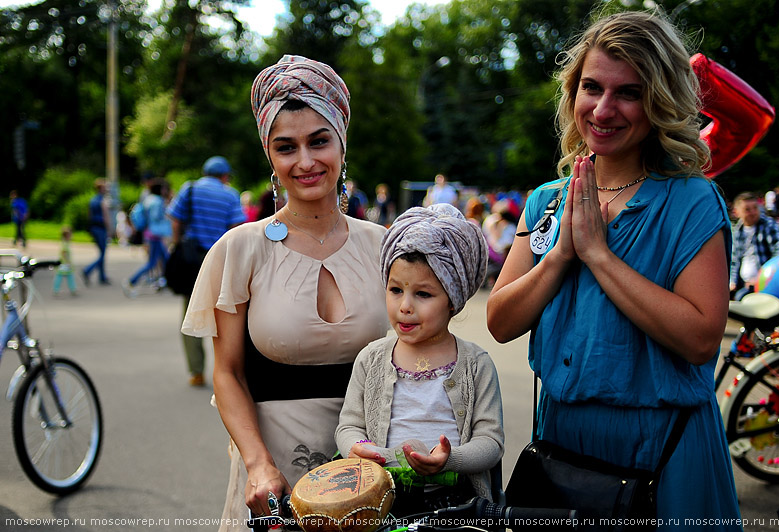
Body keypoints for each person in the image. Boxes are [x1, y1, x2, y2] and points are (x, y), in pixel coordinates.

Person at [486, 9, 741, 529]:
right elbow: (500, 321)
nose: (603, 109)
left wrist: (600, 257)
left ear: (659, 101)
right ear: (572, 91)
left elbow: (700, 340)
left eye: (627, 92)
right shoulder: (546, 202)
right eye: (591, 87)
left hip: (664, 453)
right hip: (563, 452)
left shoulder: (691, 201)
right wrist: (560, 256)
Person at [180, 55, 389, 529]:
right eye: (286, 147)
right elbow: (228, 373)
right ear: (270, 157)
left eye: (319, 141)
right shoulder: (240, 249)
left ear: (341, 142)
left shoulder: (383, 244)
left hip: (373, 472)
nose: (306, 161)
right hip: (273, 478)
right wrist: (257, 463)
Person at [336, 204, 503, 514]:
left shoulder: (476, 365)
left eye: (423, 294)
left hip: (453, 505)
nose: (405, 306)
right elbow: (348, 426)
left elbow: (491, 442)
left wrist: (450, 459)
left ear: (454, 300)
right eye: (396, 290)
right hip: (379, 502)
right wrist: (358, 449)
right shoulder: (371, 359)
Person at [167, 156, 246, 387]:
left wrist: (176, 243)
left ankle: (196, 371)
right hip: (219, 259)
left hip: (191, 260)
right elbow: (236, 228)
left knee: (190, 312)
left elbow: (175, 219)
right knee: (224, 313)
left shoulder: (189, 188)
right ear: (225, 176)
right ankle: (228, 371)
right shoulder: (230, 194)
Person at [730, 191, 779, 300]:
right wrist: (732, 283)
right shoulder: (738, 231)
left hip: (768, 284)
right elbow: (734, 261)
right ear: (737, 212)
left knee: (741, 298)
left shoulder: (769, 225)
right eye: (747, 209)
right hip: (743, 284)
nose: (753, 212)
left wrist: (760, 279)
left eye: (755, 208)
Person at [123, 179, 172, 296]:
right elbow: (156, 217)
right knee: (152, 262)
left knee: (165, 259)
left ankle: (163, 282)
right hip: (155, 234)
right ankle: (132, 281)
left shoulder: (148, 199)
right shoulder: (158, 201)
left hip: (150, 233)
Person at [82, 178, 112, 286]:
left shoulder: (93, 200)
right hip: (101, 228)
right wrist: (109, 229)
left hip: (94, 228)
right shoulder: (103, 201)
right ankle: (88, 270)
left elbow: (89, 215)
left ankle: (102, 276)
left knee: (102, 252)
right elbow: (106, 216)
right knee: (103, 254)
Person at [53, 225, 77, 296]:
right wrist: (67, 261)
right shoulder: (65, 244)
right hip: (64, 264)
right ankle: (72, 289)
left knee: (65, 276)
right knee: (65, 276)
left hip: (64, 264)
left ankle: (72, 289)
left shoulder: (65, 243)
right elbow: (64, 253)